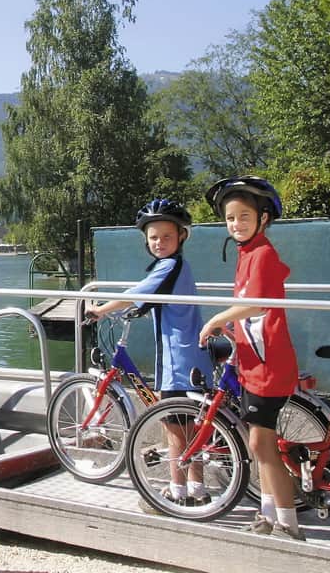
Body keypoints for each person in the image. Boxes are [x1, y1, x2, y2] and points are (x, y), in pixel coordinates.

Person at [197, 175, 304, 541]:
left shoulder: (262, 254)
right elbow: (252, 312)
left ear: (263, 219)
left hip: (269, 364)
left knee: (261, 445)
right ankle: (268, 515)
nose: (236, 224)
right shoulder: (246, 255)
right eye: (230, 218)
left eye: (244, 216)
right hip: (254, 361)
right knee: (260, 443)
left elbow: (257, 304)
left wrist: (216, 319)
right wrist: (233, 328)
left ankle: (288, 524)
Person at [87, 198, 208, 509]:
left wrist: (101, 309)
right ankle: (197, 487)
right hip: (187, 354)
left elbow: (137, 293)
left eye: (167, 236)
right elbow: (154, 299)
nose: (159, 243)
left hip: (178, 359)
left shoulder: (170, 266)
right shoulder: (176, 268)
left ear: (182, 236)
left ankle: (176, 491)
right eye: (153, 237)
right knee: (189, 424)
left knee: (174, 425)